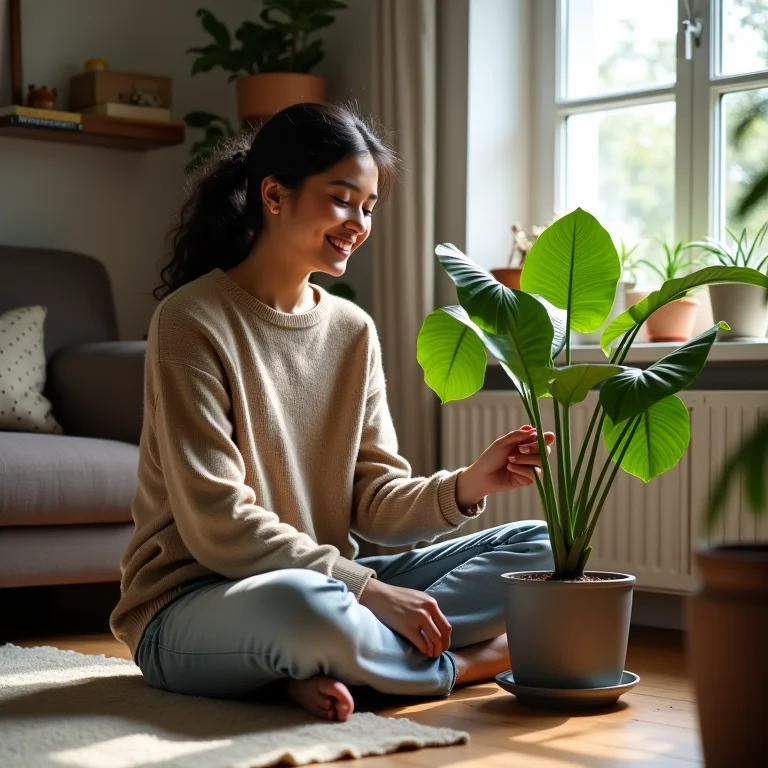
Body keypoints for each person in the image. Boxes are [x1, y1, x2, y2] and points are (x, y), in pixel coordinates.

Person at [110, 102, 555, 723]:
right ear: (273, 194)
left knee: (542, 551)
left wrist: (469, 483)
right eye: (344, 199)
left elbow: (372, 500)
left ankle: (306, 669)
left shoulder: (353, 330)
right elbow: (220, 521)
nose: (359, 223)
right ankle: (461, 663)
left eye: (369, 207)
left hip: (326, 582)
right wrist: (369, 591)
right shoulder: (192, 321)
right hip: (192, 603)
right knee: (307, 609)